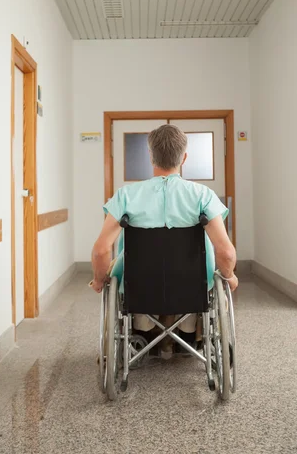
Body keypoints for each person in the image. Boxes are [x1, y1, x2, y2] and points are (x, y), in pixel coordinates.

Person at [91, 124, 238, 357]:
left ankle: (143, 331)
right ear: (185, 157)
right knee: (214, 278)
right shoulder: (202, 195)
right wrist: (229, 276)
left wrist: (99, 281)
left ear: (151, 156)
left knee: (119, 277)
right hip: (193, 283)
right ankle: (189, 333)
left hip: (138, 283)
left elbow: (101, 251)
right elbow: (226, 253)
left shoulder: (126, 196)